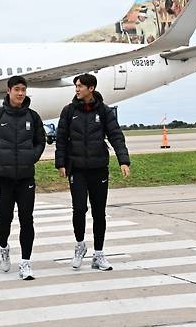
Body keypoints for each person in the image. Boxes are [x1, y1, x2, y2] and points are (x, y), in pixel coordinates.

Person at [55, 73, 130, 271]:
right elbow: (61, 139)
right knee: (79, 209)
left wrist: (123, 160)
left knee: (99, 213)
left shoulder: (104, 112)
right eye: (76, 86)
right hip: (77, 169)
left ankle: (99, 254)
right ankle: (80, 246)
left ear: (91, 88)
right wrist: (60, 163)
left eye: (80, 86)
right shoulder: (69, 111)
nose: (77, 89)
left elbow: (116, 136)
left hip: (99, 169)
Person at [0, 76, 46, 280]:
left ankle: (26, 263)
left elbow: (40, 141)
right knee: (4, 220)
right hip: (3, 177)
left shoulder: (33, 117)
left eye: (23, 90)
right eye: (17, 89)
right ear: (8, 91)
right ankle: (4, 248)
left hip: (26, 177)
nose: (20, 93)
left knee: (27, 219)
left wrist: (32, 156)